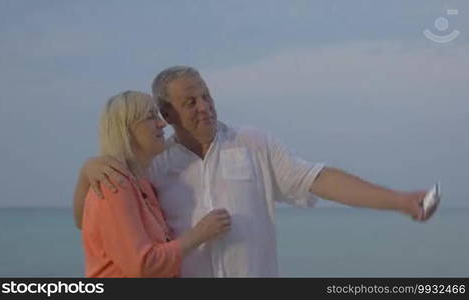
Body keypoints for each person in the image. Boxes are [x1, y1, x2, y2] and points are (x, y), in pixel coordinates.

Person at [74, 66, 439, 277]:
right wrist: (86, 172)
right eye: (190, 102)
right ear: (167, 116)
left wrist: (398, 200)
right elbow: (94, 222)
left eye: (206, 96)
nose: (204, 107)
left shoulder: (254, 143)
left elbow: (321, 179)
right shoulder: (153, 167)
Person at [81, 90, 231, 278]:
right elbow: (142, 265)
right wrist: (200, 233)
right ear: (127, 129)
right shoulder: (114, 186)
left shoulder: (142, 183)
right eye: (151, 117)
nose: (162, 123)